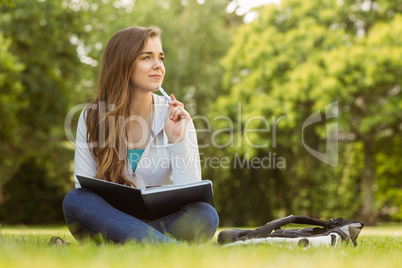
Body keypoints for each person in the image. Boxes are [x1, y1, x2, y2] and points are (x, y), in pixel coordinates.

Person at [62, 26, 219, 245]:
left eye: (161, 58)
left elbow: (191, 196)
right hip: (110, 218)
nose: (158, 66)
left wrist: (177, 140)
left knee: (205, 215)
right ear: (122, 64)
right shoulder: (91, 117)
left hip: (160, 220)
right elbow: (86, 191)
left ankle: (118, 243)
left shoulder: (176, 117)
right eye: (147, 57)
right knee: (76, 201)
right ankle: (170, 248)